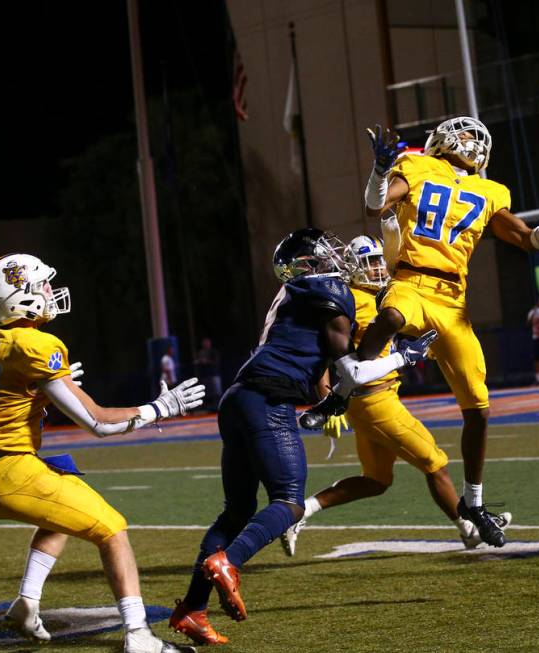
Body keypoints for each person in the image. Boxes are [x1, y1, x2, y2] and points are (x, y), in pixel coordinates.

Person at [346, 119, 539, 546]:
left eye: (478, 137)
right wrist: (380, 171)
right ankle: (343, 387)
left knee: (478, 407)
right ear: (440, 140)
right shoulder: (417, 166)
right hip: (410, 282)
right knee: (393, 318)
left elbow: (531, 240)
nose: (472, 142)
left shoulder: (491, 191)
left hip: (452, 301)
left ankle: (474, 502)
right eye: (465, 133)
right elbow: (374, 206)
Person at [169, 229, 435, 646]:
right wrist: (406, 355)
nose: (336, 253)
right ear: (308, 263)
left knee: (236, 512)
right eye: (325, 251)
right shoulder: (328, 289)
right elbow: (352, 369)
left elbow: (322, 372)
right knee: (289, 502)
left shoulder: (294, 295)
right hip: (268, 399)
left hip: (239, 398)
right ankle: (229, 562)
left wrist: (329, 404)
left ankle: (193, 609)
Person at [0, 254, 202, 653]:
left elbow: (2, 384)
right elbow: (98, 423)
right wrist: (160, 409)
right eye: (41, 286)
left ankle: (26, 605)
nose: (49, 291)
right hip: (8, 472)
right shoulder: (35, 345)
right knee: (112, 529)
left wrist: (41, 387)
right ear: (19, 299)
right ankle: (139, 636)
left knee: (63, 510)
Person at [279, 235, 504, 557]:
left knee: (376, 480)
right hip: (374, 401)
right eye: (368, 262)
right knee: (435, 463)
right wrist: (326, 398)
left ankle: (300, 512)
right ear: (353, 266)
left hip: (371, 400)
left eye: (377, 262)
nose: (376, 269)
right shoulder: (351, 299)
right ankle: (469, 529)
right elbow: (324, 352)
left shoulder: (381, 294)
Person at [194, 337, 222, 408]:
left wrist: (207, 361)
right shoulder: (201, 352)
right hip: (205, 375)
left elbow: (216, 361)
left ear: (210, 344)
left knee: (216, 392)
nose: (206, 345)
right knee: (207, 393)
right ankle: (209, 407)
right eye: (204, 343)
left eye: (207, 343)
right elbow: (198, 361)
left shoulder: (213, 351)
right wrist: (198, 362)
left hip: (213, 374)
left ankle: (218, 406)